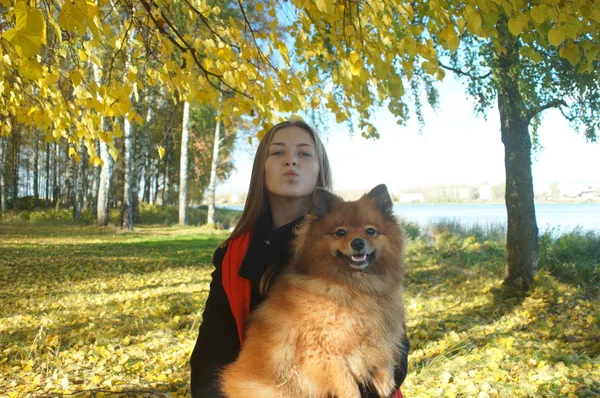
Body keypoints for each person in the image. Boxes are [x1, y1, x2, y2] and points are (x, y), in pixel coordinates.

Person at [189, 119, 409, 397]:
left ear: (319, 169)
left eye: (304, 153)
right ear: (261, 168)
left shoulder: (368, 264)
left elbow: (394, 359)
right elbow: (212, 353)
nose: (291, 161)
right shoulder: (233, 254)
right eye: (278, 152)